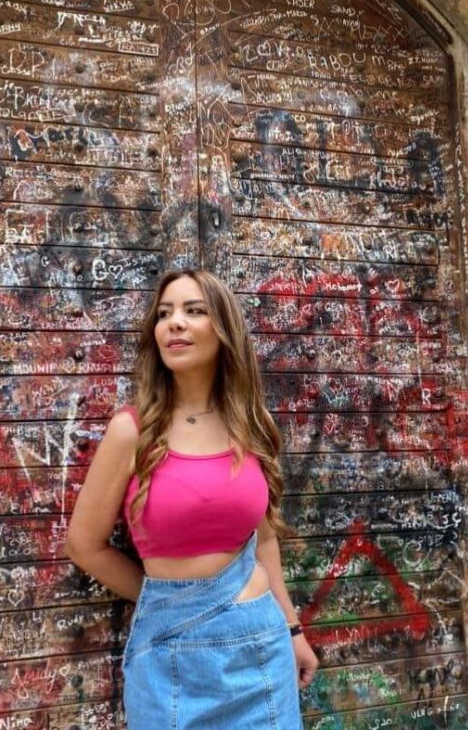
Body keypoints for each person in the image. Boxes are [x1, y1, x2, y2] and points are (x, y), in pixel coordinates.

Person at [65, 268, 318, 729]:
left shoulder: (249, 425)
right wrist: (174, 601)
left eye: (193, 311)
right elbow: (84, 545)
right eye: (164, 314)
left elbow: (262, 539)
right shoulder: (132, 431)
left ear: (223, 331)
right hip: (169, 657)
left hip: (261, 651)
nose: (174, 322)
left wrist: (292, 628)